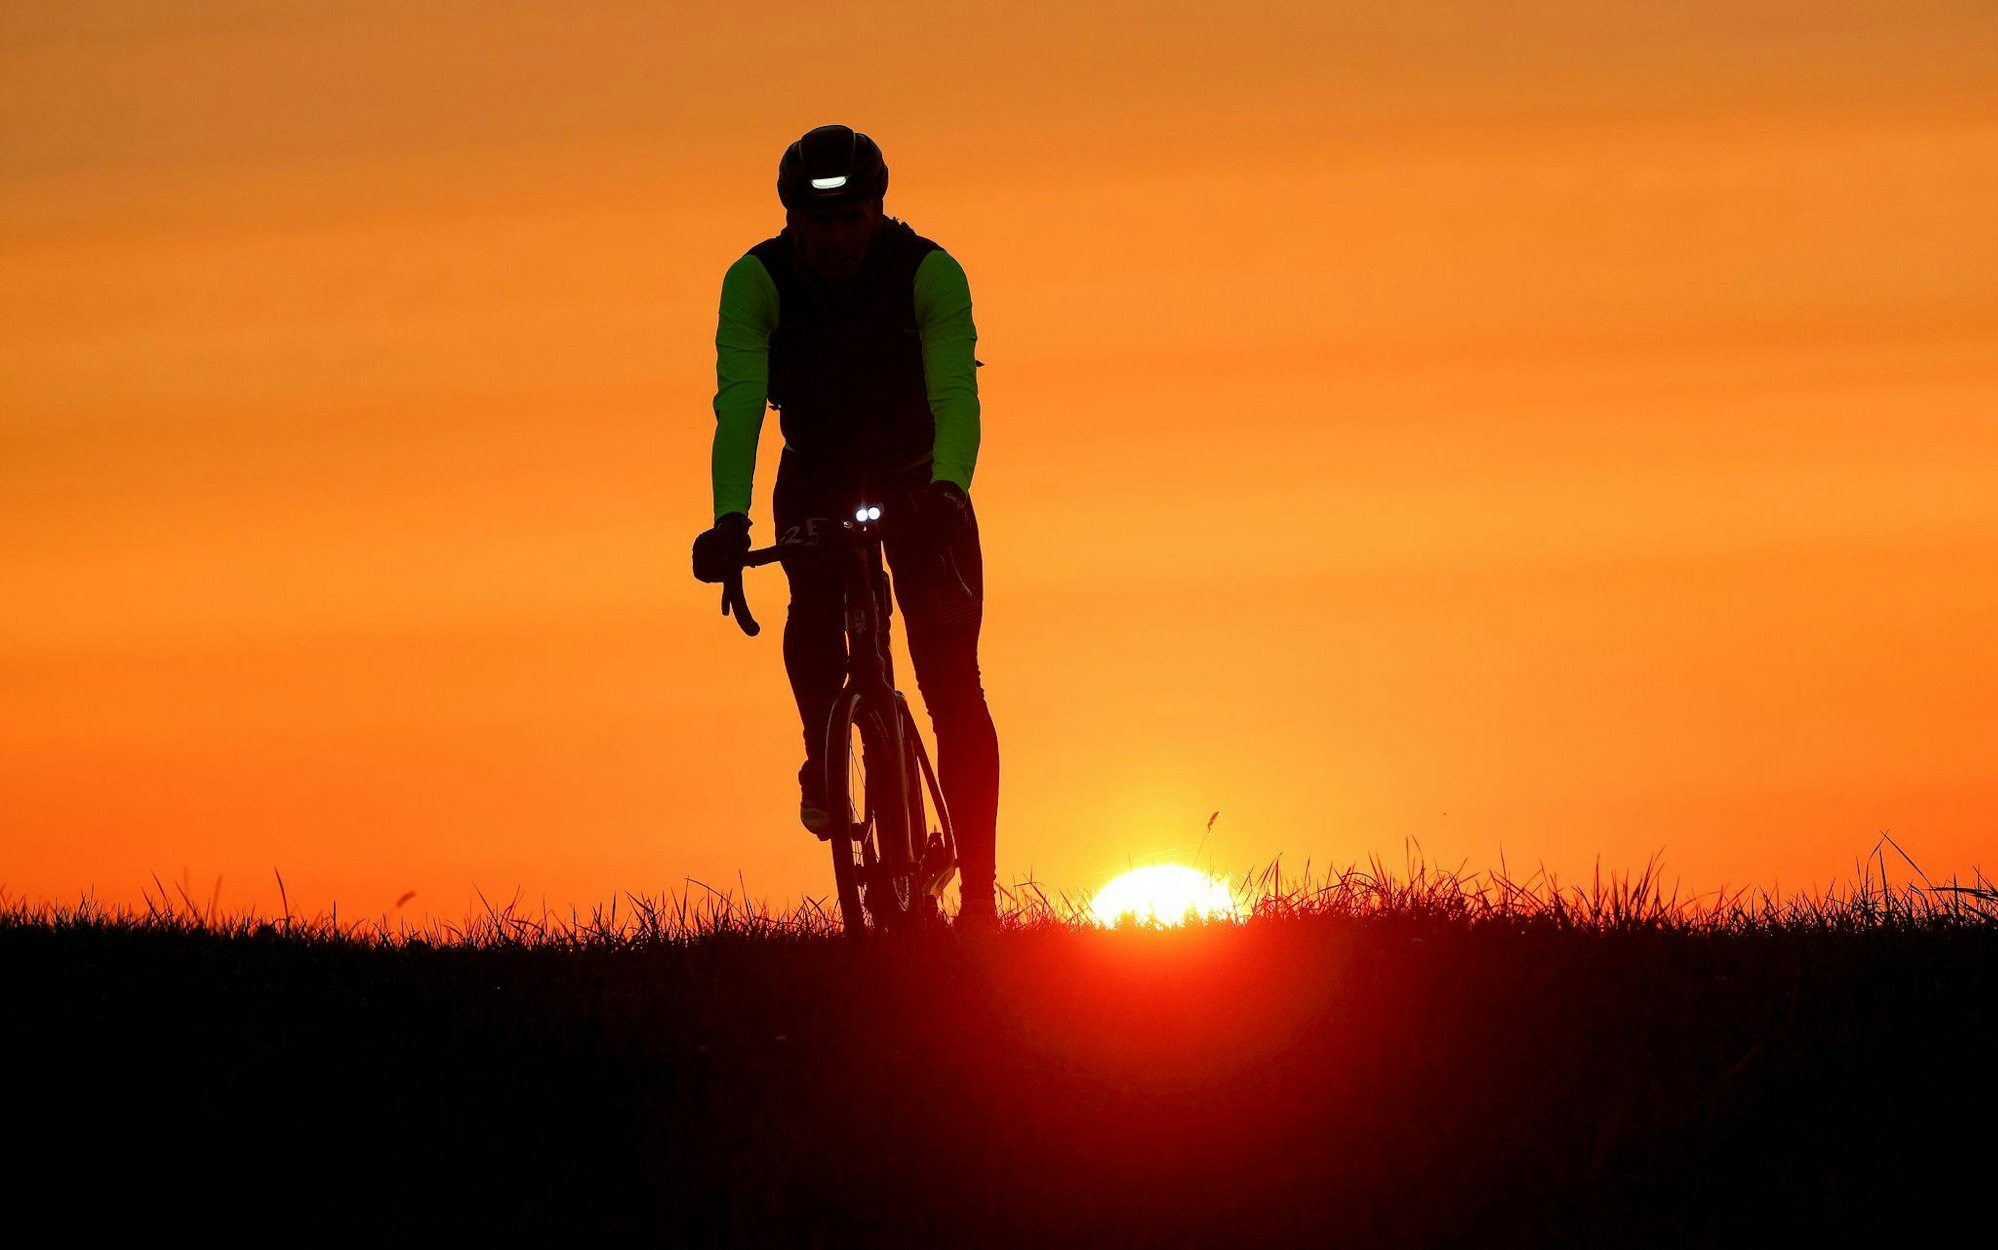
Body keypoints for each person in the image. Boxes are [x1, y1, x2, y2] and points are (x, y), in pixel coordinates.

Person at [690, 124, 1001, 927]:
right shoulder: (755, 282)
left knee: (950, 684)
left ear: (878, 210)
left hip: (918, 480)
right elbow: (738, 406)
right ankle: (823, 754)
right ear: (791, 219)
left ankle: (982, 904)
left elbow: (957, 400)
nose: (835, 237)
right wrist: (730, 518)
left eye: (852, 218)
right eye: (818, 222)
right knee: (815, 614)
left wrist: (946, 493)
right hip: (818, 472)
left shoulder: (928, 273)